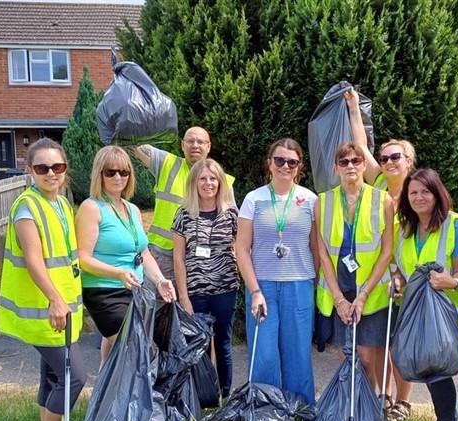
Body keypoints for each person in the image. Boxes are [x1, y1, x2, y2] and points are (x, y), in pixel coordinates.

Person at [0, 138, 86, 421]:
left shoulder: (62, 203)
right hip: (44, 310)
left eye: (57, 167)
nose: (51, 173)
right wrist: (55, 299)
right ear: (29, 170)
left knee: (52, 375)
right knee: (74, 377)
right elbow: (34, 259)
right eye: (42, 167)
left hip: (62, 309)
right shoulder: (26, 207)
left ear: (65, 169)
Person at [392, 168, 458, 421]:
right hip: (415, 312)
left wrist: (450, 281)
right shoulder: (402, 227)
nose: (418, 197)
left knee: (437, 370)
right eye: (413, 192)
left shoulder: (456, 225)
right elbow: (399, 265)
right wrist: (398, 280)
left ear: (437, 193)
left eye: (425, 191)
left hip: (447, 312)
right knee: (423, 366)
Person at [345, 89, 415, 421]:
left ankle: (402, 402)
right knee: (373, 347)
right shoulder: (380, 186)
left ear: (409, 161)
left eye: (395, 157)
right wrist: (354, 109)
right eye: (384, 158)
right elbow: (360, 147)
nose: (388, 162)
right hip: (381, 277)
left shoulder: (420, 192)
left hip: (411, 279)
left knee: (399, 349)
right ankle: (376, 399)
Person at [76, 146, 176, 368]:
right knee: (134, 349)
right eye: (110, 172)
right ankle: (129, 401)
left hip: (135, 289)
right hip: (105, 291)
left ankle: (104, 400)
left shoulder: (132, 209)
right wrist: (117, 272)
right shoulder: (91, 208)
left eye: (124, 172)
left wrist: (160, 281)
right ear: (99, 174)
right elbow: (82, 258)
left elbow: (143, 252)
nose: (118, 177)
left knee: (112, 353)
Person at [235, 138, 318, 405]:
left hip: (299, 286)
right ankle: (265, 412)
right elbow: (242, 249)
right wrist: (255, 290)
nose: (285, 166)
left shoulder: (310, 200)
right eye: (279, 160)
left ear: (299, 167)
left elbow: (316, 248)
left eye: (292, 162)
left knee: (298, 354)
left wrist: (308, 278)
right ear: (269, 163)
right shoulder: (254, 199)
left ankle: (300, 411)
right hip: (263, 287)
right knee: (264, 354)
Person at [315, 142, 394, 392]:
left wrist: (363, 295)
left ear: (363, 165)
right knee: (348, 357)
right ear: (335, 168)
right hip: (338, 287)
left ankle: (371, 405)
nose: (350, 166)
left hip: (370, 289)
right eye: (344, 162)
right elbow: (323, 253)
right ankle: (353, 407)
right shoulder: (322, 202)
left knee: (368, 358)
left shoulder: (384, 200)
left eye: (356, 161)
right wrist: (339, 299)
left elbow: (386, 252)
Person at [131, 127, 235, 285]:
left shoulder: (223, 181)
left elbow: (232, 225)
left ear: (209, 147)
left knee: (190, 307)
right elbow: (133, 145)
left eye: (201, 142)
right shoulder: (166, 163)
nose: (195, 145)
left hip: (201, 260)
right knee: (156, 306)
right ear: (182, 145)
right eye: (190, 141)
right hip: (162, 254)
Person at [172, 158, 239, 398]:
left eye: (213, 178)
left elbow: (241, 249)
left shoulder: (231, 213)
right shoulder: (183, 214)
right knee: (197, 346)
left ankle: (224, 395)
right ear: (194, 182)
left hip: (225, 289)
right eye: (202, 178)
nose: (208, 183)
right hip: (195, 292)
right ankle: (200, 397)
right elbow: (178, 257)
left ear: (220, 183)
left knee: (222, 345)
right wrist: (183, 297)